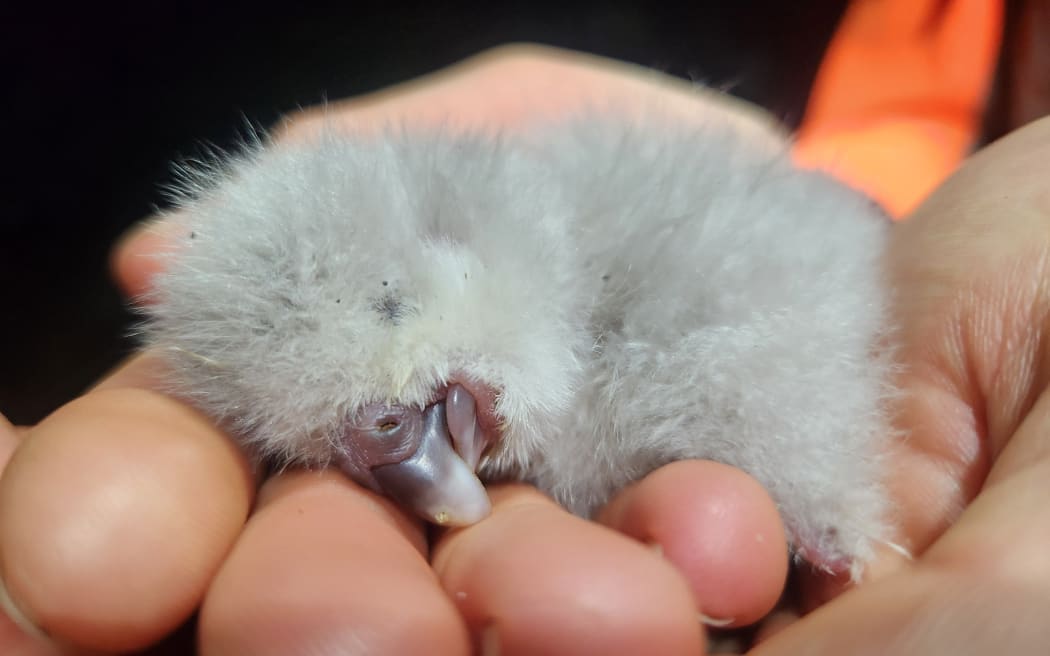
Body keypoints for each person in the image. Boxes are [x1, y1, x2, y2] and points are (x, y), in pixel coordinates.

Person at [1, 44, 1048, 655]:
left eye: (399, 420)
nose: (427, 470)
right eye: (368, 445)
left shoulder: (654, 250)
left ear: (458, 241)